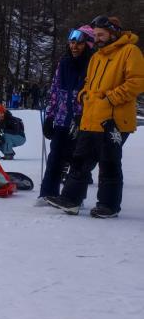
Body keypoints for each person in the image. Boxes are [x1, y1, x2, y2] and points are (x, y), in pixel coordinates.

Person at [46, 16, 144, 218]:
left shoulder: (129, 51)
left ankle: (108, 206)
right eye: (96, 35)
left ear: (113, 33)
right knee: (80, 161)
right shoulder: (97, 57)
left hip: (113, 121)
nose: (97, 39)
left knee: (109, 163)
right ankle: (71, 200)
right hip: (90, 118)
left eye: (101, 34)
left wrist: (110, 98)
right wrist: (84, 96)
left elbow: (137, 82)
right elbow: (89, 82)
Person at [37, 26, 94, 202]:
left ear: (89, 45)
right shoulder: (64, 63)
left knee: (77, 160)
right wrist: (50, 117)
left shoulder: (93, 64)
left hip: (82, 121)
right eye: (72, 42)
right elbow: (55, 92)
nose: (74, 46)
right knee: (55, 157)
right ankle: (48, 193)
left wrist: (83, 115)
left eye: (79, 43)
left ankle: (72, 198)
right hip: (62, 119)